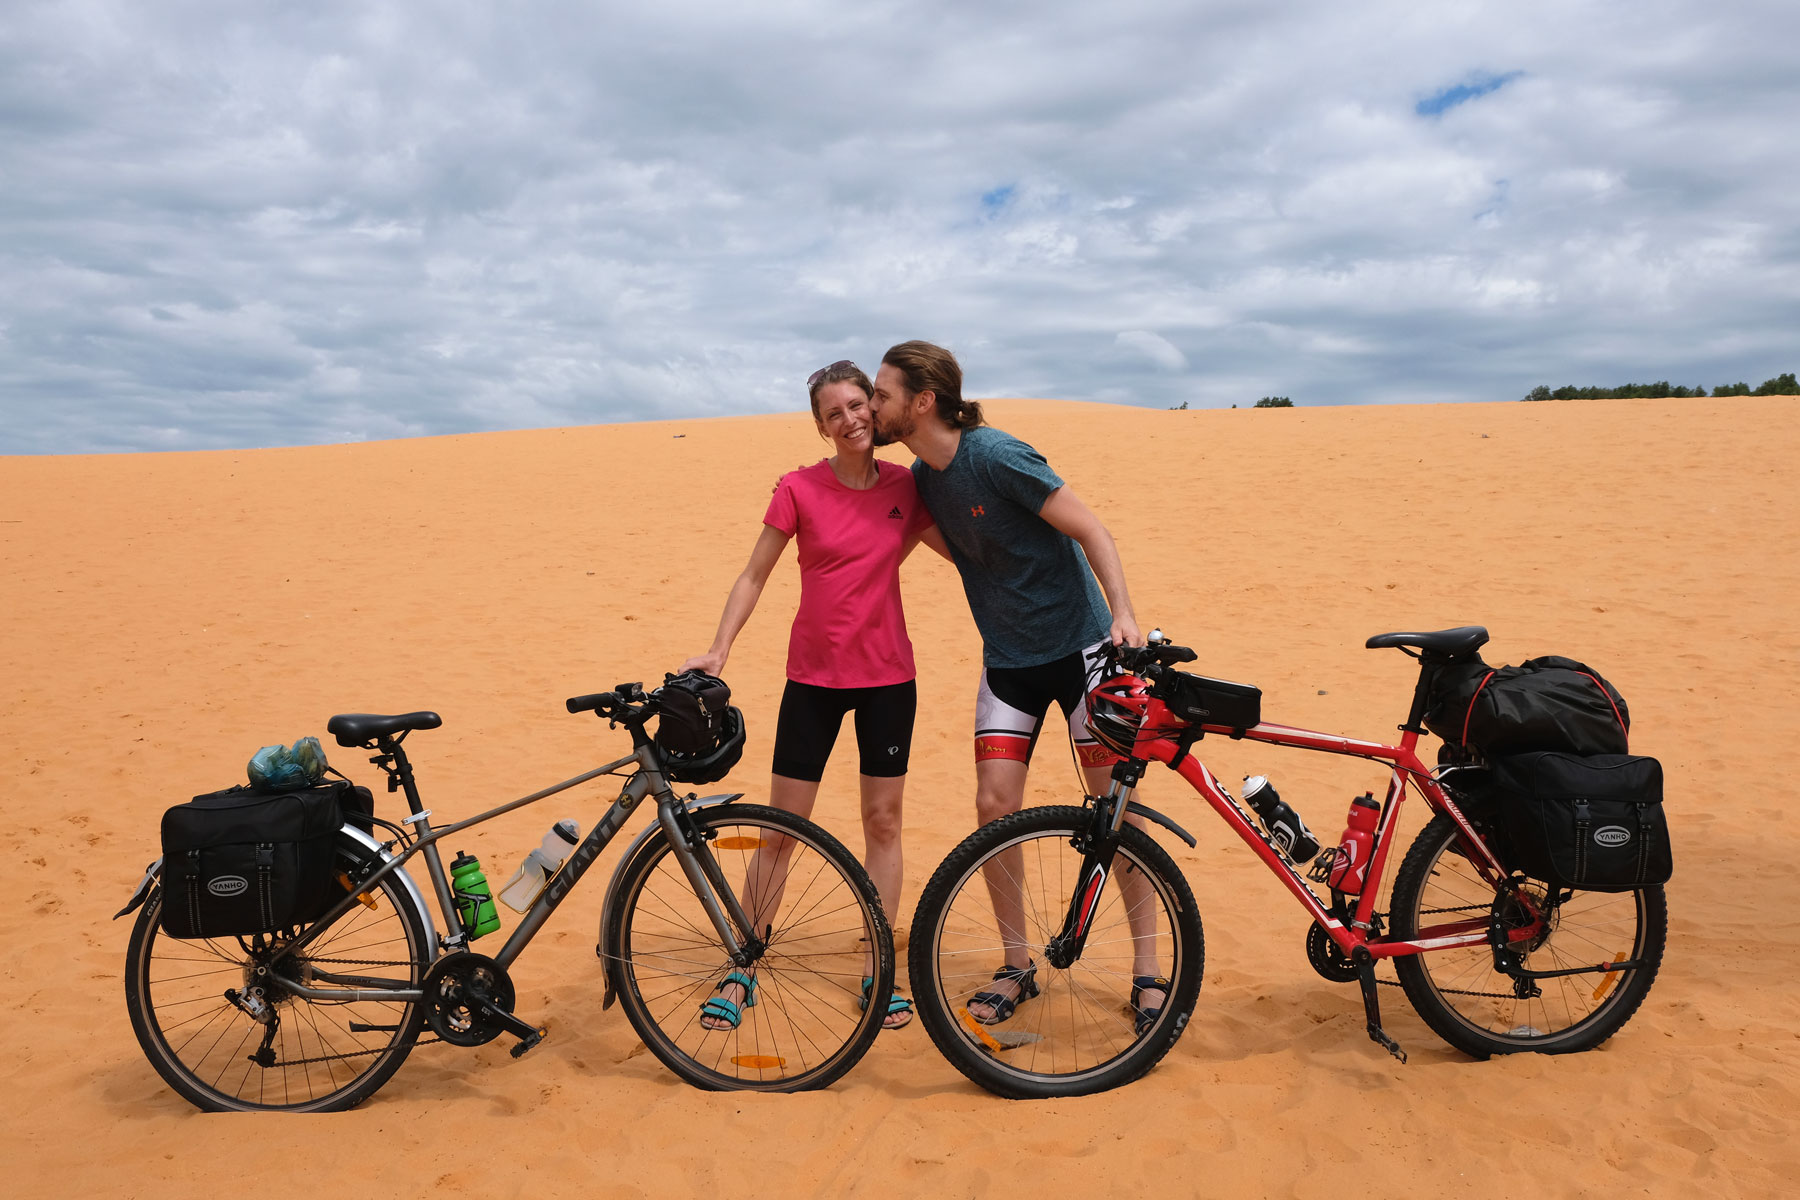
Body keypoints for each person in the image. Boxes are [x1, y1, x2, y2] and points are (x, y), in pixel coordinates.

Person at [868, 339, 1166, 1029]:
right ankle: (1016, 963)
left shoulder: (995, 455)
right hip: (1008, 662)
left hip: (1085, 652)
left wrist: (1122, 614)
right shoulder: (922, 478)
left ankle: (1150, 969)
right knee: (993, 805)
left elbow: (1090, 527)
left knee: (1111, 810)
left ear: (923, 401)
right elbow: (943, 546)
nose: (876, 405)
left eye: (883, 394)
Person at [682, 360, 938, 1031]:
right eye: (836, 413)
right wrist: (720, 647)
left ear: (874, 408)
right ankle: (743, 966)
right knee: (778, 833)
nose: (852, 419)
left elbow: (965, 549)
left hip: (888, 677)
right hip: (814, 682)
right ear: (821, 426)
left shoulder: (906, 487)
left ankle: (876, 971)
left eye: (859, 405)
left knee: (882, 824)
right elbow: (753, 574)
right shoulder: (797, 489)